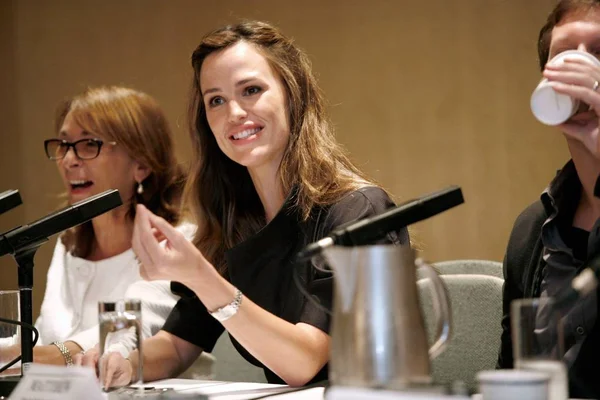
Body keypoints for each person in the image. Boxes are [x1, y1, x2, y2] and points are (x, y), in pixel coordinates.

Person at [84, 20, 409, 388]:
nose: (234, 113)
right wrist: (125, 363)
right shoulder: (232, 221)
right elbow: (177, 345)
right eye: (216, 100)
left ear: (292, 94)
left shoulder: (358, 210)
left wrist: (202, 277)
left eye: (251, 90)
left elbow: (304, 363)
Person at [2, 86, 198, 369]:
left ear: (141, 164)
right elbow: (45, 334)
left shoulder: (175, 240)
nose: (69, 160)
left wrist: (21, 356)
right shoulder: (69, 243)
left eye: (89, 145)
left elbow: (131, 326)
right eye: (64, 145)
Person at [498, 1, 600, 398]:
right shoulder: (533, 229)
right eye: (564, 56)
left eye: (597, 53)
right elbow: (511, 375)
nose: (579, 70)